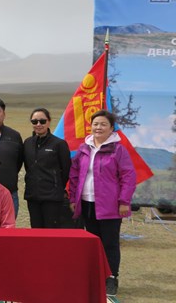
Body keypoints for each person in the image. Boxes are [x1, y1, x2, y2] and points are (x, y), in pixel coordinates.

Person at [69, 110, 136, 297]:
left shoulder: (118, 149)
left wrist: (124, 201)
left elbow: (128, 176)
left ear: (111, 128)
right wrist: (74, 199)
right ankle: (95, 277)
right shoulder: (84, 148)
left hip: (110, 206)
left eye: (103, 124)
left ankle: (112, 278)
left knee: (110, 244)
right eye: (96, 124)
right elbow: (75, 175)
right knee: (93, 243)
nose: (98, 127)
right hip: (87, 203)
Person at [23, 108, 71, 228]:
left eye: (42, 121)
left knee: (51, 231)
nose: (38, 124)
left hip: (52, 197)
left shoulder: (59, 144)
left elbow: (66, 169)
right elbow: (28, 166)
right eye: (34, 121)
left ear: (49, 122)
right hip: (32, 196)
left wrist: (56, 185)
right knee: (36, 229)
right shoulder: (28, 143)